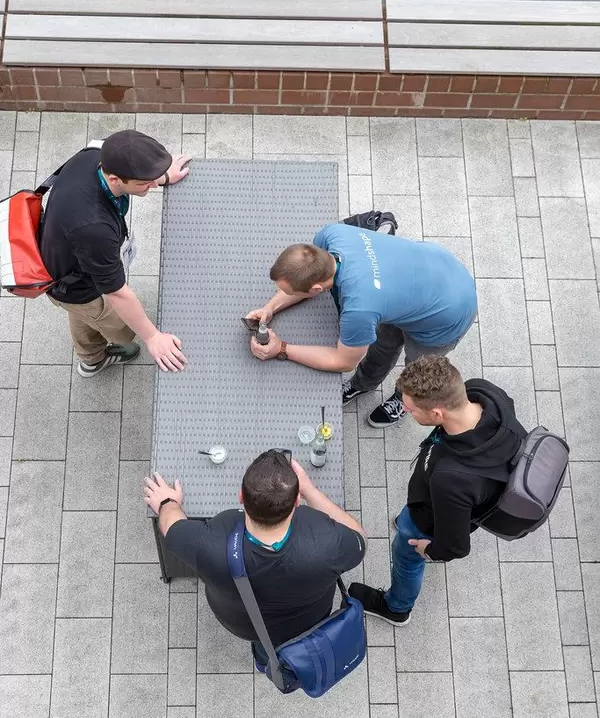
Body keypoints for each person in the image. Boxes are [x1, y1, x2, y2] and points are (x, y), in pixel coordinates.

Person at [144, 450, 366, 683]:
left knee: (264, 645)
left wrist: (167, 502)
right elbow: (359, 536)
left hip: (243, 625)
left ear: (241, 496)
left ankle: (264, 658)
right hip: (310, 619)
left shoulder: (212, 543)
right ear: (297, 502)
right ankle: (272, 659)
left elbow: (171, 527)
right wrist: (309, 489)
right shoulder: (327, 543)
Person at [349, 356, 525, 625]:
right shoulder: (485, 393)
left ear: (437, 414)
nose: (406, 413)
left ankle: (396, 607)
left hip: (425, 522)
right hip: (447, 497)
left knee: (407, 560)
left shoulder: (451, 479)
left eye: (411, 410)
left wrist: (429, 549)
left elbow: (455, 546)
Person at [247, 222, 477, 428]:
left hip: (448, 312)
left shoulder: (359, 309)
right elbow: (307, 283)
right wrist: (270, 308)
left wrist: (282, 349)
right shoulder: (330, 236)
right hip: (430, 270)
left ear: (316, 290)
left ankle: (403, 400)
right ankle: (363, 384)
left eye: (287, 292)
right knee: (384, 342)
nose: (282, 295)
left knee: (418, 370)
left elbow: (343, 361)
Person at [41, 129, 190, 377]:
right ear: (114, 180)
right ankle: (94, 361)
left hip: (67, 261)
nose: (153, 185)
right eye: (145, 182)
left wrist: (161, 176)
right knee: (120, 327)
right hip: (76, 285)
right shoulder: (94, 229)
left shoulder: (94, 155)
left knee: (82, 312)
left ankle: (89, 354)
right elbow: (117, 294)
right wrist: (153, 337)